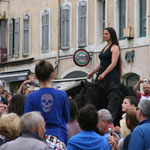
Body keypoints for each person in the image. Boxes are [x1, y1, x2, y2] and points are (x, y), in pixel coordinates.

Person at [24, 60, 70, 145]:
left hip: (37, 138)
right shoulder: (62, 95)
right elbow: (67, 118)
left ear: (36, 76)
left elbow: (27, 122)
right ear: (53, 75)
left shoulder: (31, 97)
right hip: (59, 137)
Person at [87, 27, 121, 91]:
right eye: (103, 34)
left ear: (111, 35)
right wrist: (92, 72)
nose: (104, 35)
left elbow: (113, 63)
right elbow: (102, 63)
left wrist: (104, 74)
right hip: (101, 73)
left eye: (106, 34)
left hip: (110, 75)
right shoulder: (106, 46)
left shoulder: (115, 47)